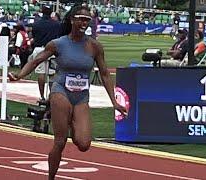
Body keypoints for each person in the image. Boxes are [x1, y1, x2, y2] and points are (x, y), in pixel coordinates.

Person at [8, 5, 128, 180]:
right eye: (80, 19)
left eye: (87, 20)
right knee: (60, 142)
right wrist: (20, 75)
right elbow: (35, 61)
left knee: (84, 143)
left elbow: (104, 74)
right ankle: (51, 177)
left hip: (81, 96)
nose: (84, 23)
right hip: (60, 90)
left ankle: (72, 123)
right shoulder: (58, 44)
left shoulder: (95, 46)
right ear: (72, 20)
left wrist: (114, 102)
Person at [30, 5, 61, 100]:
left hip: (39, 48)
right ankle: (52, 95)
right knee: (52, 74)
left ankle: (42, 96)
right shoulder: (56, 24)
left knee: (41, 72)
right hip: (51, 49)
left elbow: (34, 36)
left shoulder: (37, 24)